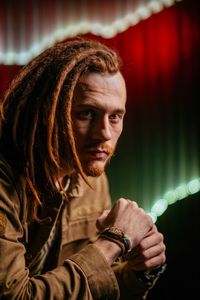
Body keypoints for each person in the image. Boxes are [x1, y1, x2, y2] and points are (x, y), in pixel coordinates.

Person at [0, 38, 166, 299]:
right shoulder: (4, 180)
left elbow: (88, 287)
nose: (104, 134)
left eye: (115, 117)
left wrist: (140, 271)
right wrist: (114, 242)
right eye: (86, 113)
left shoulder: (93, 180)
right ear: (49, 112)